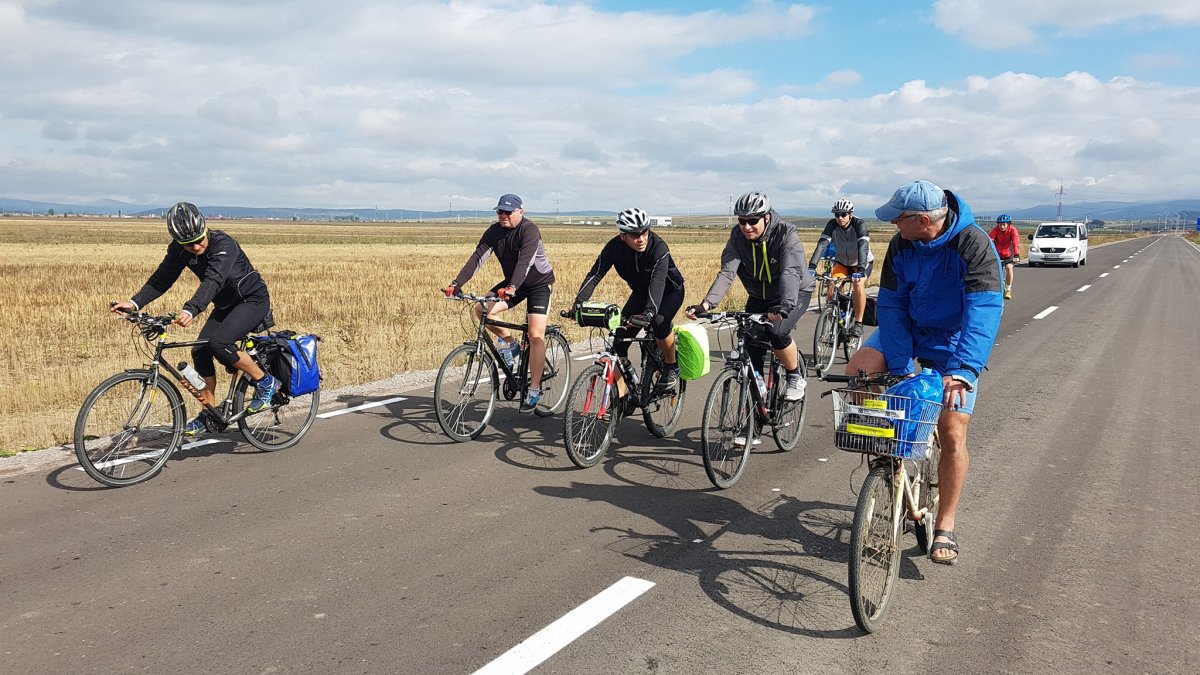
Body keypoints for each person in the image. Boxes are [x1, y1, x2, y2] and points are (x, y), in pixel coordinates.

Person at [845, 180, 1004, 565]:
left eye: (898, 219)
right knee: (859, 372)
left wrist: (964, 370)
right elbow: (894, 305)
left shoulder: (974, 245)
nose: (893, 226)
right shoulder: (903, 243)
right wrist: (899, 369)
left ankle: (945, 524)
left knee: (952, 429)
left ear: (921, 220)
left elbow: (983, 312)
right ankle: (890, 469)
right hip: (910, 328)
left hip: (954, 341)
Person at [110, 202, 278, 435]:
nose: (196, 246)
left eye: (199, 239)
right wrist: (135, 303)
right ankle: (210, 411)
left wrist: (192, 309)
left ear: (205, 228)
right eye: (189, 244)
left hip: (252, 300)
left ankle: (265, 381)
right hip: (226, 304)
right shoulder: (178, 250)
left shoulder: (224, 245)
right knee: (200, 351)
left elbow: (214, 279)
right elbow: (162, 279)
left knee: (219, 343)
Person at [685, 191, 814, 408]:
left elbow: (790, 272)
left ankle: (794, 376)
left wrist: (786, 304)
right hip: (758, 296)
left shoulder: (786, 234)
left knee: (776, 331)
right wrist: (706, 304)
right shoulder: (737, 237)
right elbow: (727, 272)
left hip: (793, 293)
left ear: (767, 217)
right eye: (742, 221)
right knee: (750, 349)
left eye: (753, 221)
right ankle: (752, 422)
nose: (747, 227)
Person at [444, 193, 555, 413]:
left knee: (535, 335)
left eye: (508, 212)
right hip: (512, 283)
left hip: (538, 284)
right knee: (482, 308)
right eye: (500, 212)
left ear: (520, 212)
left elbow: (526, 261)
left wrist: (512, 287)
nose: (503, 216)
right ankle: (511, 343)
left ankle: (534, 388)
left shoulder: (529, 230)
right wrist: (457, 283)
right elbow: (477, 258)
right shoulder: (494, 232)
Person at [572, 208, 685, 394]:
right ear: (623, 236)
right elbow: (596, 274)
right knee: (618, 342)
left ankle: (671, 366)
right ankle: (622, 399)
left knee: (659, 323)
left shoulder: (659, 247)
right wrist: (579, 303)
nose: (641, 238)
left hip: (669, 292)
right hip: (641, 294)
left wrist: (649, 313)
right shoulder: (614, 247)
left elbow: (657, 282)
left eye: (644, 232)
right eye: (634, 234)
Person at [808, 198, 874, 337]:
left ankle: (858, 323)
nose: (840, 218)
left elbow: (863, 247)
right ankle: (838, 317)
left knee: (858, 285)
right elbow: (822, 244)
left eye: (843, 214)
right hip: (842, 263)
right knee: (832, 287)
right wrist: (812, 266)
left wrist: (861, 270)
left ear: (851, 214)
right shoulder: (832, 225)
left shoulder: (859, 224)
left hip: (861, 264)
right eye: (837, 214)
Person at [989, 214, 1020, 299]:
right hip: (997, 254)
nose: (1002, 226)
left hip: (1009, 254)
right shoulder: (995, 230)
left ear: (1008, 224)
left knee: (1009, 268)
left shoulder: (1013, 230)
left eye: (1004, 224)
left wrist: (1016, 255)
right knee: (993, 271)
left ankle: (1008, 289)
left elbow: (1015, 242)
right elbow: (990, 240)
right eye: (1000, 224)